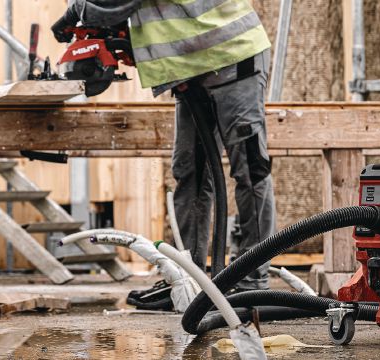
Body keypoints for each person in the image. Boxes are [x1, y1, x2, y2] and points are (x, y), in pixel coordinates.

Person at [52, 0, 276, 309]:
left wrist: (79, 10)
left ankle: (251, 282)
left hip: (232, 55)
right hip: (190, 67)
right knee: (190, 173)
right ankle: (190, 280)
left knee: (250, 172)